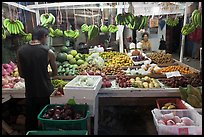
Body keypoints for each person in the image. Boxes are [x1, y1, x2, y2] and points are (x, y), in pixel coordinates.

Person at [17, 25, 58, 133]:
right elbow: (55, 73)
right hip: (45, 91)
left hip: (30, 92)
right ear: (44, 36)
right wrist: (44, 74)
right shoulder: (48, 52)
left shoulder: (20, 51)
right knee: (47, 118)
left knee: (30, 120)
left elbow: (21, 74)